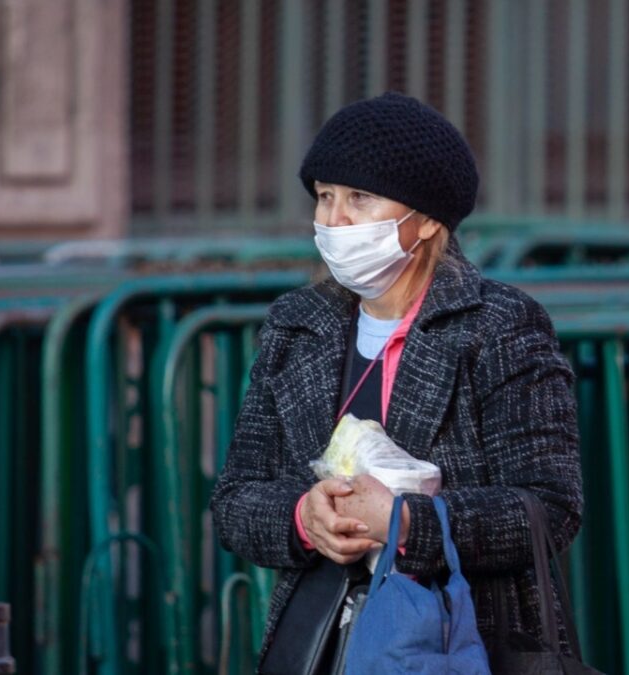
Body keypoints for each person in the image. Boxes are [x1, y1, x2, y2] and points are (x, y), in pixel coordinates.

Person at [209, 92, 584, 666]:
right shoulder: (296, 325)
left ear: (428, 219)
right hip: (323, 640)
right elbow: (235, 500)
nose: (334, 221)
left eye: (360, 198)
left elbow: (550, 508)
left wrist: (410, 521)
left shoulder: (499, 326)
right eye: (325, 197)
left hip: (463, 640)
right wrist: (304, 519)